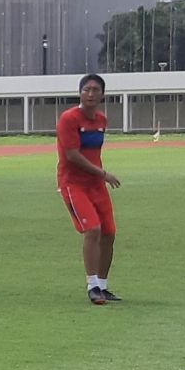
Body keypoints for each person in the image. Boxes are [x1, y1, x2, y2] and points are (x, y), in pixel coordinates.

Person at [56, 73, 121, 305]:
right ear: (80, 93)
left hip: (95, 185)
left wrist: (99, 177)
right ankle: (92, 285)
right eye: (87, 89)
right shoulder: (69, 119)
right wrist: (104, 174)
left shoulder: (101, 120)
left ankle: (103, 286)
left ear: (102, 94)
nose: (91, 93)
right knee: (92, 229)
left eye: (96, 89)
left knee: (109, 233)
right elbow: (72, 155)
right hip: (74, 184)